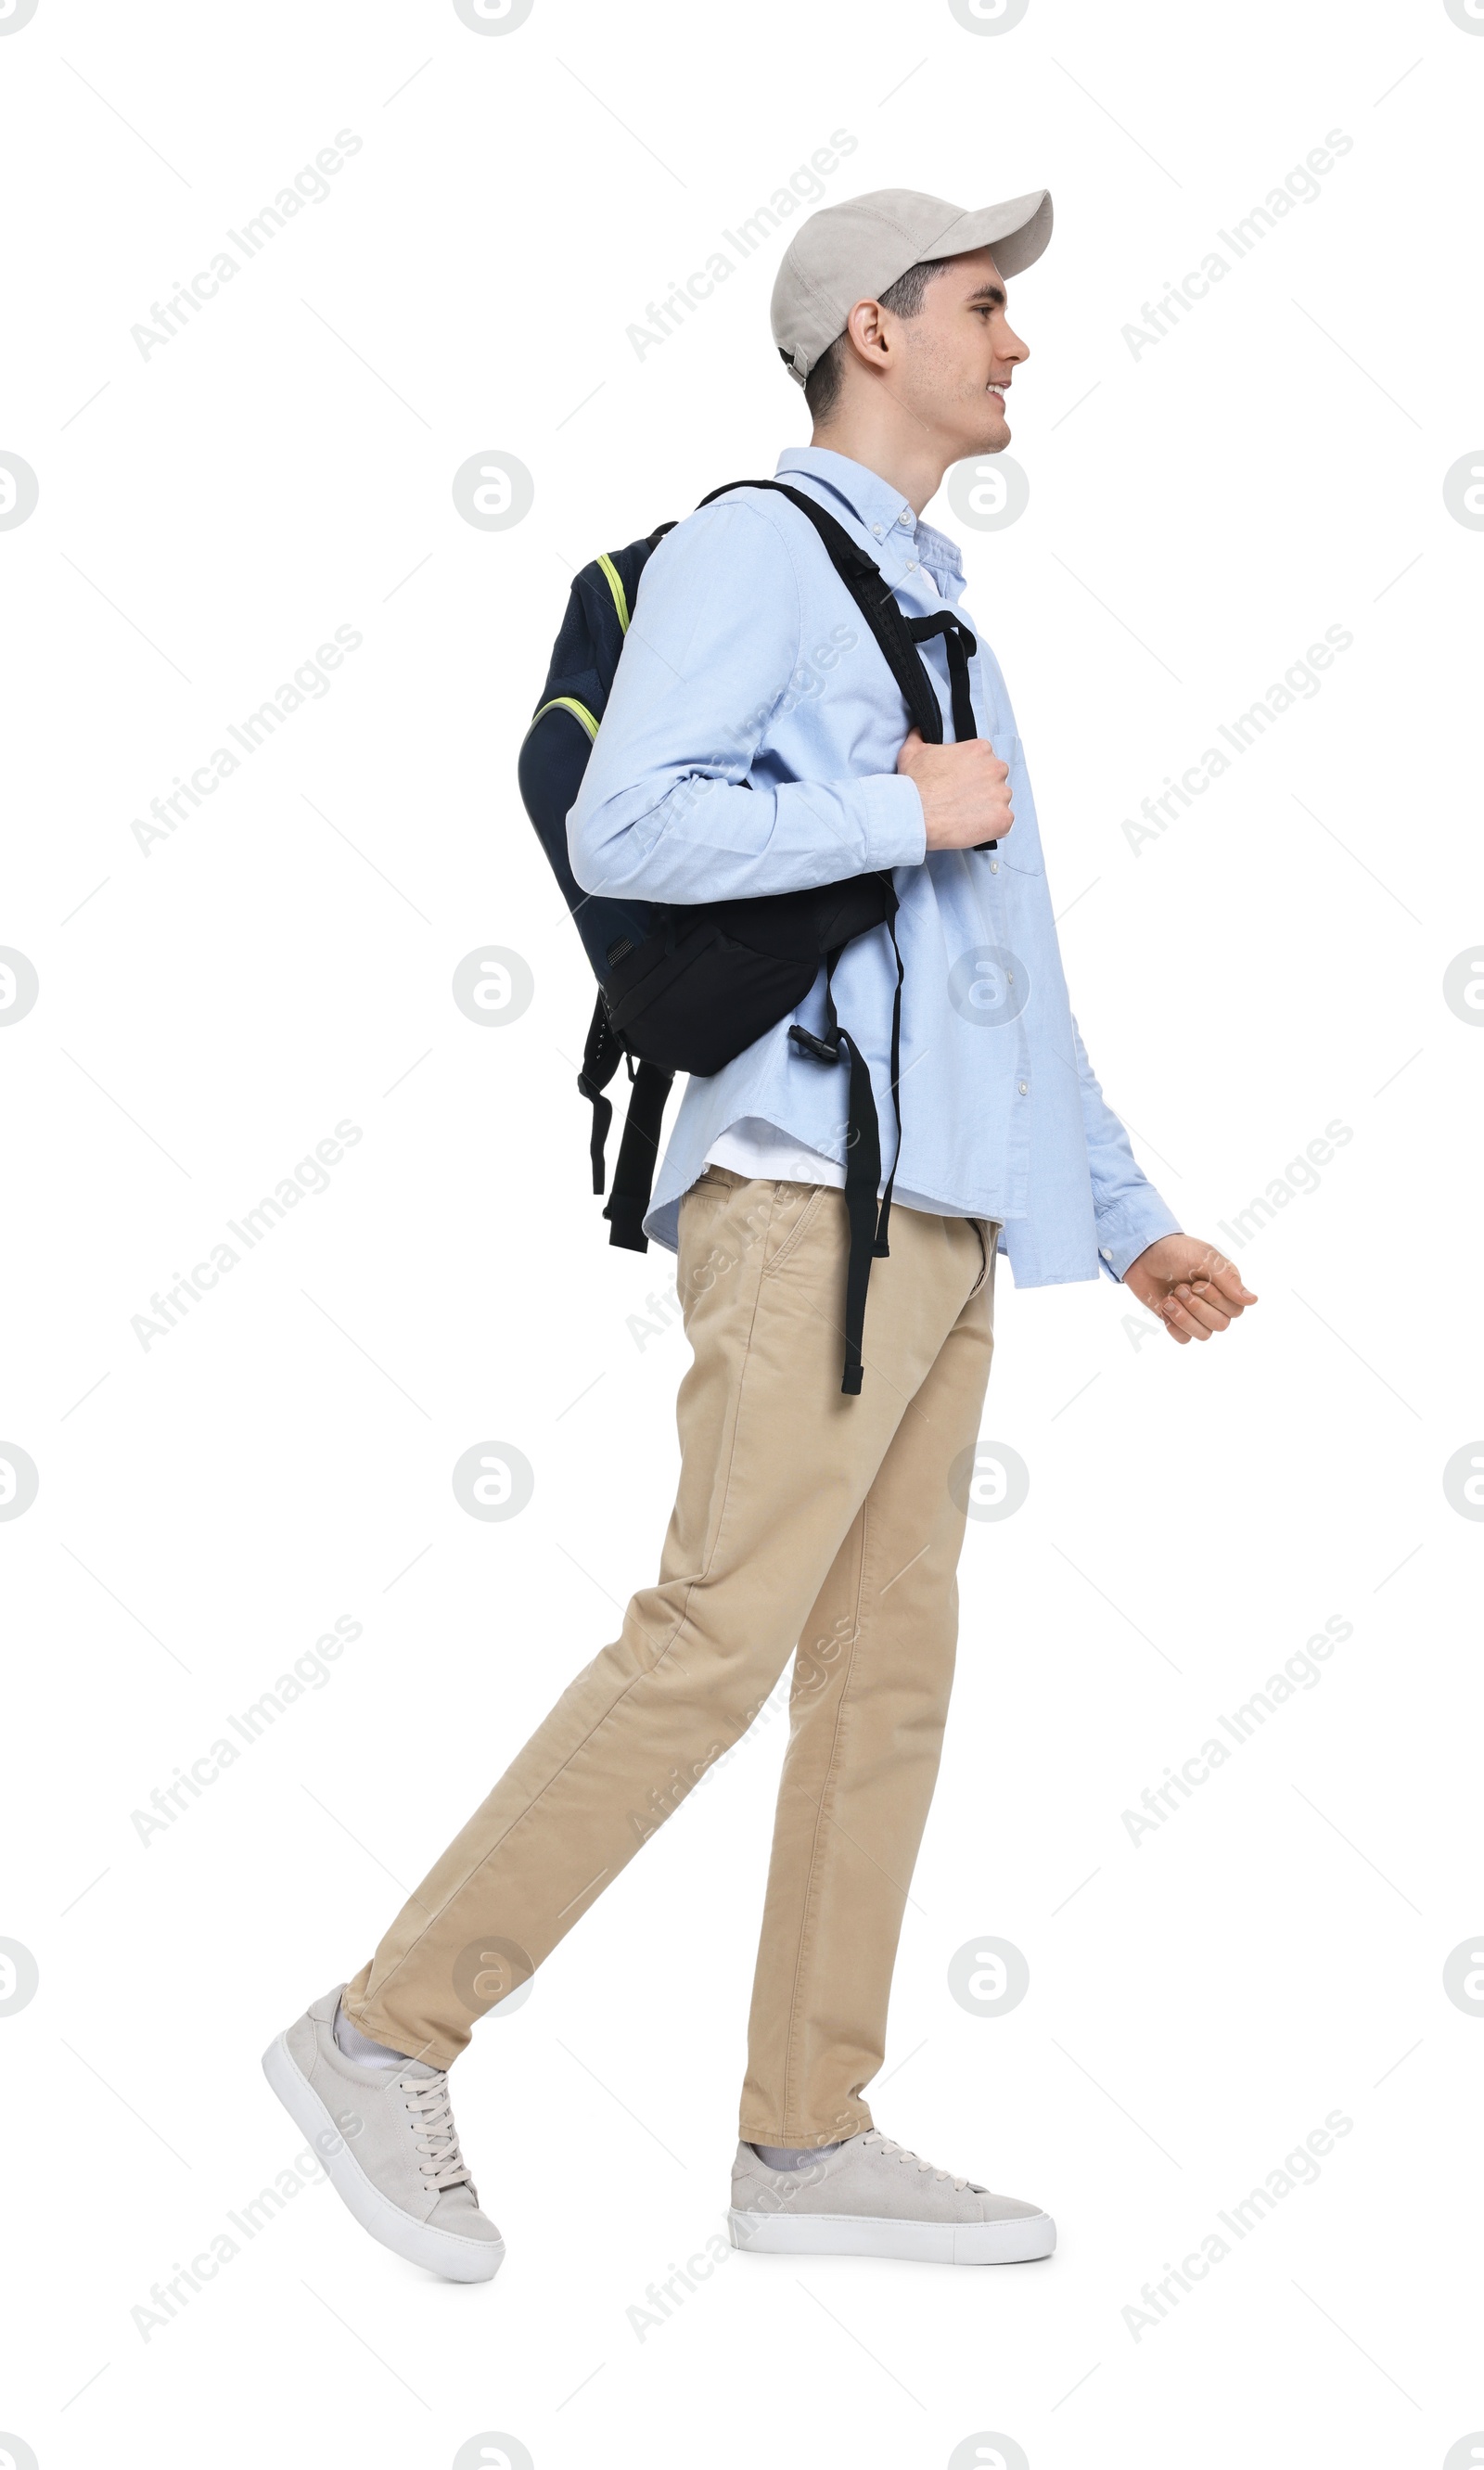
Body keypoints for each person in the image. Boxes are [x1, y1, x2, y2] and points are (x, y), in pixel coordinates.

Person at [263, 185, 1258, 2283]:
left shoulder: (944, 612)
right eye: (985, 305)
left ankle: (803, 2136)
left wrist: (1125, 1212)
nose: (1017, 340)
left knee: (885, 1678)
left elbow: (1011, 968)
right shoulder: (755, 548)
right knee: (713, 1639)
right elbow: (631, 820)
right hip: (805, 1198)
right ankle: (380, 2034)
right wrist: (906, 808)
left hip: (948, 1221)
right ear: (868, 333)